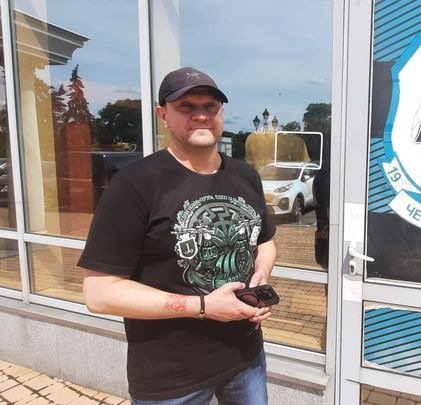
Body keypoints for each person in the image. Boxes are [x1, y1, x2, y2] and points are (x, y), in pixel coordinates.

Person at [79, 66, 276, 404]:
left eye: (210, 107)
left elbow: (265, 242)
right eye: (187, 106)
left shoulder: (245, 175)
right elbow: (99, 293)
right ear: (163, 115)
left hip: (246, 357)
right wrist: (203, 306)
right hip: (171, 378)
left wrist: (260, 278)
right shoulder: (135, 184)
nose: (201, 115)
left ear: (221, 113)